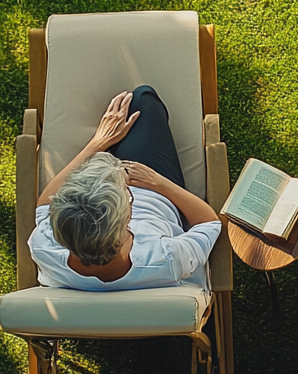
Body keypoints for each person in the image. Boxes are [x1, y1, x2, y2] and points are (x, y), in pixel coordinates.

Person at [29, 85, 222, 291]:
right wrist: (159, 182)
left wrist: (97, 144)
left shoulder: (45, 248)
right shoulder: (167, 258)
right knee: (143, 98)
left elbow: (45, 204)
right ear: (128, 218)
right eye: (126, 196)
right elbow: (208, 223)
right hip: (152, 189)